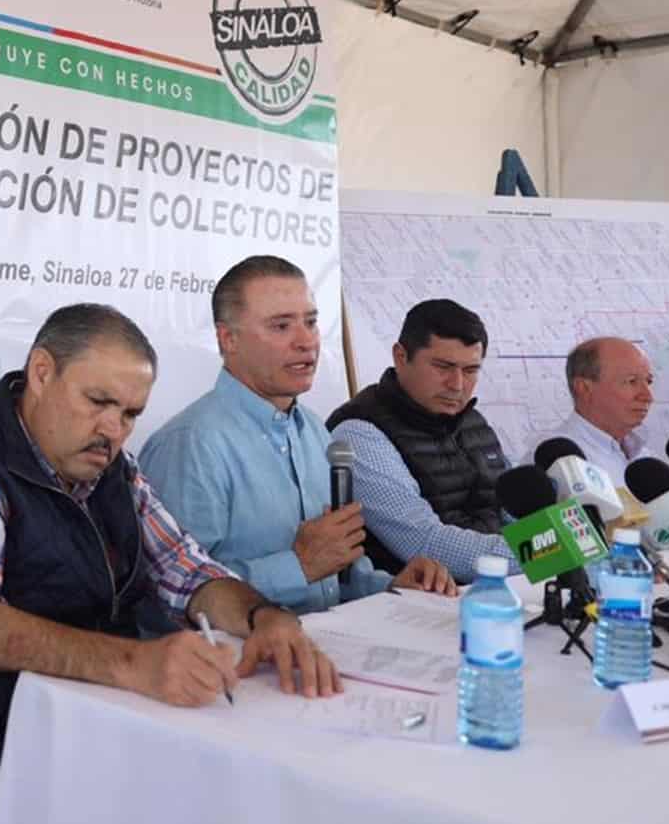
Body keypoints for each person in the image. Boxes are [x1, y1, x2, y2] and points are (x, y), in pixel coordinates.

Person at [0, 302, 341, 824]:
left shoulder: (110, 468)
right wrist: (135, 664)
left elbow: (186, 571)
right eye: (98, 403)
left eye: (129, 414)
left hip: (100, 722)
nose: (113, 431)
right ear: (42, 372)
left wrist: (264, 618)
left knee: (255, 818)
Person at [142, 256, 455, 613]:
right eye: (281, 327)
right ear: (228, 339)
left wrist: (393, 586)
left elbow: (337, 578)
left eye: (310, 322)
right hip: (239, 661)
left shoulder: (314, 431)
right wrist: (297, 567)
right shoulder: (192, 445)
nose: (306, 341)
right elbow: (165, 598)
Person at [326, 299, 516, 580]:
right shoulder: (359, 432)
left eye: (470, 370)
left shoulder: (473, 422)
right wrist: (545, 554)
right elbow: (425, 543)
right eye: (443, 367)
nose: (457, 385)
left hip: (494, 591)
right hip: (407, 607)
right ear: (401, 357)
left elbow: (515, 512)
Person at [540, 337, 659, 485]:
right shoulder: (556, 462)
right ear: (584, 388)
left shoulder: (646, 458)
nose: (647, 396)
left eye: (648, 381)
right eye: (631, 381)